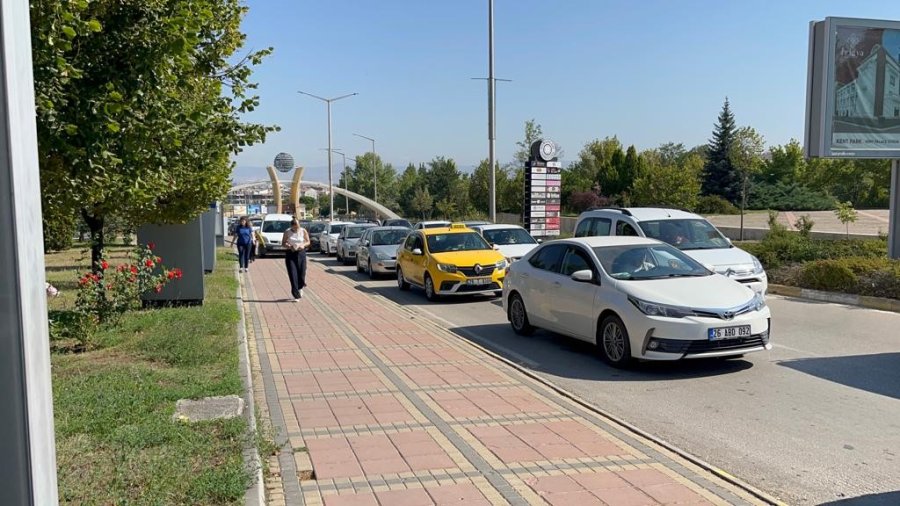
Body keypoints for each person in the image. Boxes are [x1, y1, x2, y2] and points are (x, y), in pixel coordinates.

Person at [282, 219, 309, 301]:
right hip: (291, 254)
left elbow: (308, 241)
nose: (297, 229)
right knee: (293, 274)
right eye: (295, 227)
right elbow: (283, 243)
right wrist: (289, 246)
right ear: (292, 226)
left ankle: (300, 287)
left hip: (301, 253)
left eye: (298, 226)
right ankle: (296, 294)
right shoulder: (287, 232)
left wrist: (303, 245)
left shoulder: (303, 231)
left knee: (302, 273)